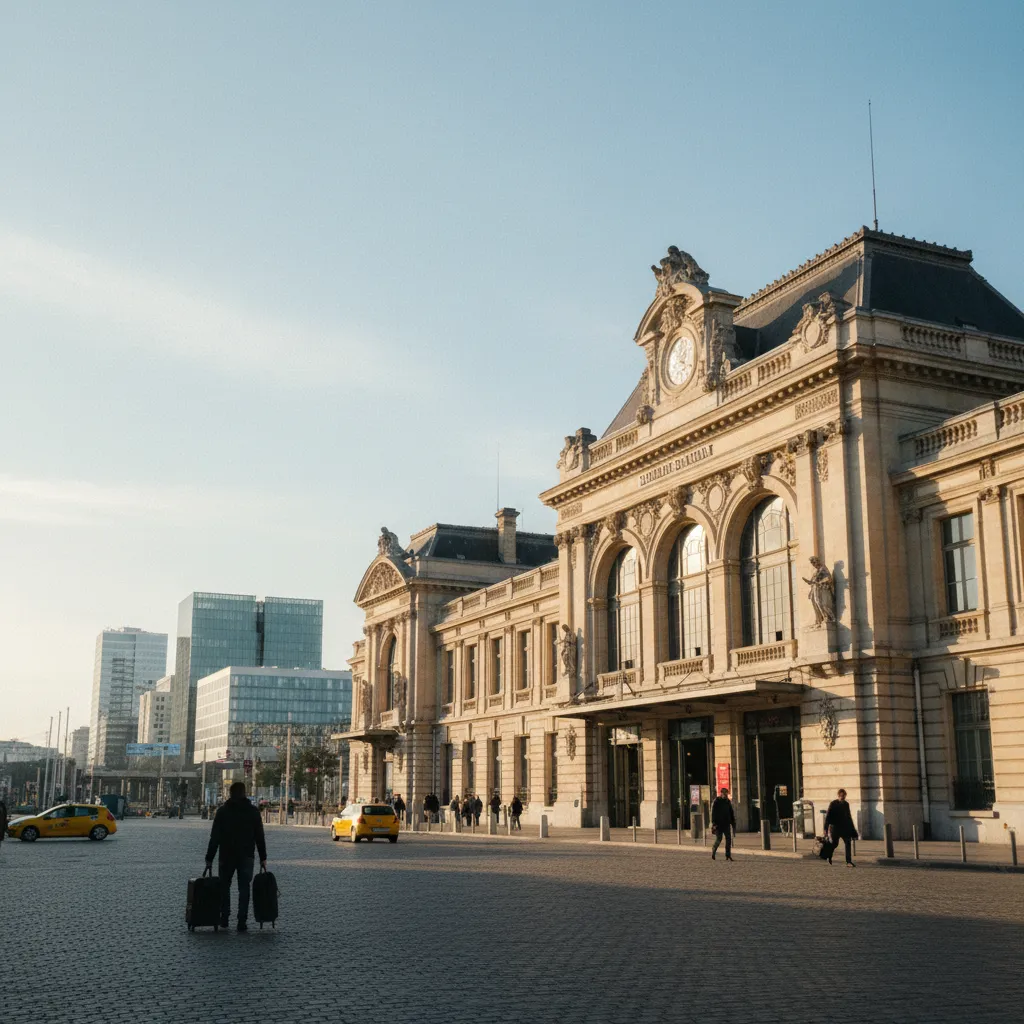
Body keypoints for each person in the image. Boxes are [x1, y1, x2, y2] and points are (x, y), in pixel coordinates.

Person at [205, 781, 268, 931]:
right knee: (244, 888)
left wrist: (209, 858)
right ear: (244, 793)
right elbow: (260, 836)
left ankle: (224, 918)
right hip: (246, 856)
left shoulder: (222, 812)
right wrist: (263, 857)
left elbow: (214, 837)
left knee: (224, 887)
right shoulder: (253, 812)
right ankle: (242, 921)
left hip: (226, 856)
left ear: (230, 793)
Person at [823, 788, 858, 867]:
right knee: (834, 844)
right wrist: (825, 828)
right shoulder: (833, 804)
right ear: (838, 796)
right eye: (841, 796)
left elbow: (849, 817)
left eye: (844, 796)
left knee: (848, 843)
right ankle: (829, 856)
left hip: (845, 828)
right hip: (835, 828)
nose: (843, 797)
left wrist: (853, 831)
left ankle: (848, 861)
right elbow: (828, 816)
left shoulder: (846, 804)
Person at [710, 787, 735, 861]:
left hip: (726, 824)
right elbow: (713, 813)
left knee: (728, 840)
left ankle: (728, 855)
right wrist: (714, 823)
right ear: (721, 793)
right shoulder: (717, 801)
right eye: (724, 793)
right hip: (718, 824)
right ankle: (713, 851)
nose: (726, 795)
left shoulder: (728, 801)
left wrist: (733, 822)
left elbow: (731, 812)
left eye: (726, 793)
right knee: (719, 839)